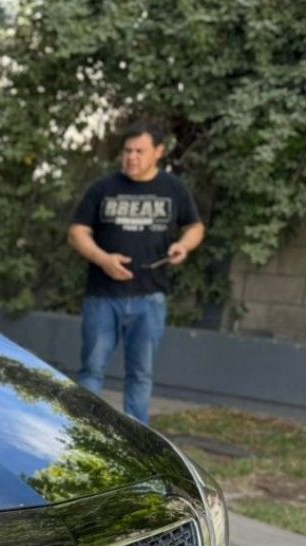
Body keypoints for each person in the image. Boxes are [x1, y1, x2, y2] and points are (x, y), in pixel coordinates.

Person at [67, 120, 205, 424]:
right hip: (103, 296)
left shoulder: (173, 188)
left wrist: (183, 246)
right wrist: (103, 259)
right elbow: (77, 232)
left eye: (139, 151)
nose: (131, 157)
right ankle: (81, 431)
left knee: (141, 374)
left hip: (150, 298)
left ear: (159, 152)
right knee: (92, 369)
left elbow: (195, 227)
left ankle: (136, 436)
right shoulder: (103, 188)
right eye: (127, 151)